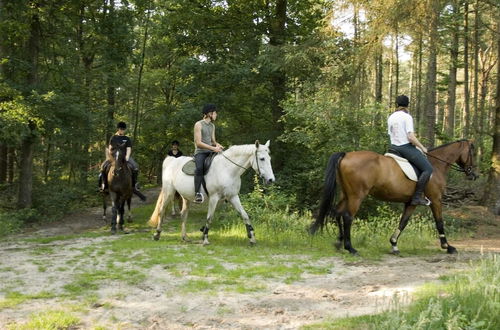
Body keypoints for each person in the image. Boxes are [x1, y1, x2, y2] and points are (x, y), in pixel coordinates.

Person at [387, 95, 433, 206]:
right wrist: (422, 148)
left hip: (393, 147)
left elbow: (390, 134)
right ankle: (416, 197)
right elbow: (411, 137)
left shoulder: (391, 117)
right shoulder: (407, 117)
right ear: (407, 105)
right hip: (405, 147)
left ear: (397, 105)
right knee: (428, 169)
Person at [98, 121, 146, 201]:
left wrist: (127, 156)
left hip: (124, 157)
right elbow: (110, 149)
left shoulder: (126, 139)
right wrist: (111, 157)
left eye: (123, 129)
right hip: (114, 157)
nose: (122, 130)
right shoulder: (113, 138)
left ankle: (134, 184)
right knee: (103, 167)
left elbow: (129, 148)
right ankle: (104, 184)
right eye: (121, 129)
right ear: (118, 129)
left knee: (135, 167)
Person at [193, 104, 224, 203]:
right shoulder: (198, 124)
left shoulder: (212, 126)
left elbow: (213, 141)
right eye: (215, 113)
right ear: (210, 114)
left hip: (210, 151)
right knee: (199, 168)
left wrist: (218, 145)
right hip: (200, 152)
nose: (216, 115)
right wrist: (213, 148)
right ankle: (197, 193)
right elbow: (198, 143)